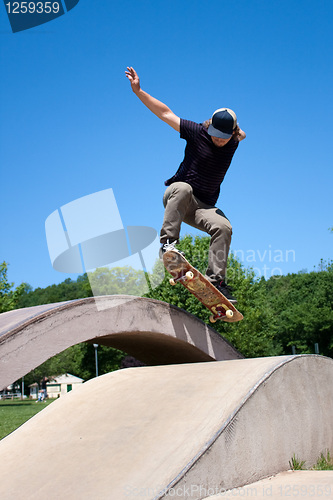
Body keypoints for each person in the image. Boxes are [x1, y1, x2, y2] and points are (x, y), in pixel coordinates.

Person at [125, 67, 246, 303]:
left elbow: (242, 135)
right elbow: (165, 113)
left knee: (224, 227)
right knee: (184, 188)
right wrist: (138, 91)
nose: (218, 139)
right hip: (178, 197)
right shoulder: (196, 132)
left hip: (203, 207)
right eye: (215, 134)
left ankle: (216, 282)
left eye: (224, 136)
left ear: (232, 133)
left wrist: (238, 132)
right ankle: (168, 247)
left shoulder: (234, 140)